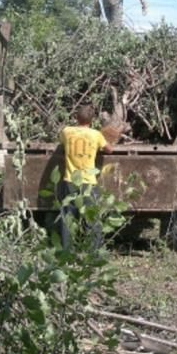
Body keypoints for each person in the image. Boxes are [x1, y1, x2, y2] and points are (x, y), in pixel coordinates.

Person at [58, 105, 113, 250]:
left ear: (76, 118)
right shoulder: (96, 135)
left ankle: (66, 252)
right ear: (92, 120)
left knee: (68, 217)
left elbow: (62, 143)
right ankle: (92, 252)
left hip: (70, 181)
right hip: (88, 182)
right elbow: (109, 149)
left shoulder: (66, 132)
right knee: (91, 218)